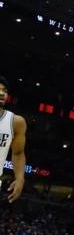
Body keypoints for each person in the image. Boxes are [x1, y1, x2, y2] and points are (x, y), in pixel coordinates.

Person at [0, 75, 28, 204]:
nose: (2, 93)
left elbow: (18, 153)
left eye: (4, 90)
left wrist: (20, 179)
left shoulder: (16, 122)